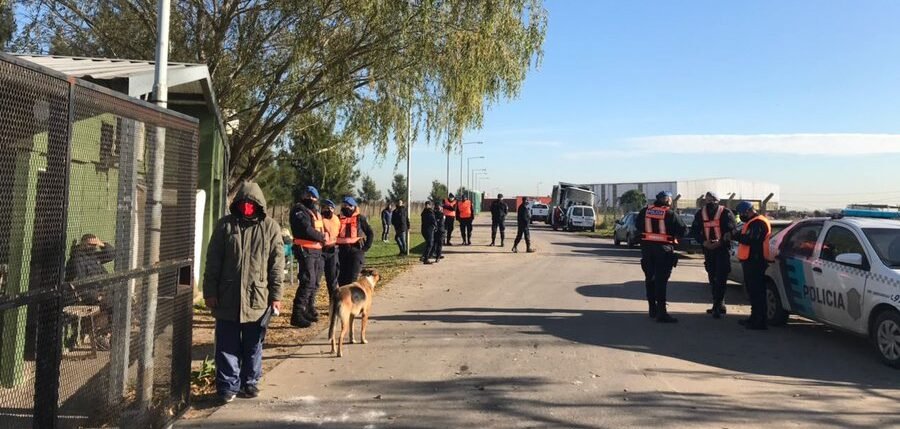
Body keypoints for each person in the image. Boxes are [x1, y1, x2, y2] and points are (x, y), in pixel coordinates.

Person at [203, 181, 284, 403]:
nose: (247, 207)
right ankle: (228, 386)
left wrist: (276, 296)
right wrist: (210, 291)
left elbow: (276, 265)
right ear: (238, 203)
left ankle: (250, 382)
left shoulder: (270, 228)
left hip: (257, 298)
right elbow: (213, 262)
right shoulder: (224, 227)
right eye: (244, 203)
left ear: (259, 204)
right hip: (227, 296)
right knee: (226, 344)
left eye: (252, 203)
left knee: (253, 344)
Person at [635, 191, 686, 323]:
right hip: (663, 250)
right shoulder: (669, 213)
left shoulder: (645, 211)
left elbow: (637, 225)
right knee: (661, 281)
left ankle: (652, 309)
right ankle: (662, 312)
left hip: (647, 249)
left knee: (649, 279)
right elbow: (683, 230)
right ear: (668, 200)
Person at [64, 234, 116, 351]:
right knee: (112, 304)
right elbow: (79, 284)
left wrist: (101, 243)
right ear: (83, 244)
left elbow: (111, 254)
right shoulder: (78, 259)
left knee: (121, 299)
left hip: (103, 292)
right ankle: (101, 335)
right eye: (90, 244)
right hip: (89, 296)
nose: (92, 247)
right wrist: (96, 296)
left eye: (94, 245)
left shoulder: (93, 257)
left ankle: (107, 333)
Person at [691, 192, 737, 319]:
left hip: (722, 249)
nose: (709, 202)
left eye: (712, 200)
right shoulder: (701, 213)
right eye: (707, 199)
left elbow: (732, 231)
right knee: (712, 277)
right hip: (708, 249)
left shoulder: (726, 213)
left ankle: (718, 306)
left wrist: (720, 242)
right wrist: (704, 242)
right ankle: (717, 304)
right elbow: (694, 231)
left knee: (721, 277)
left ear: (717, 201)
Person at [289, 186, 326, 328]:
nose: (312, 199)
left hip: (316, 250)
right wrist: (322, 237)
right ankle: (297, 314)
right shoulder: (299, 210)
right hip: (305, 250)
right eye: (309, 196)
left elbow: (318, 227)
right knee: (307, 281)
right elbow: (305, 229)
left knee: (315, 282)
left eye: (314, 197)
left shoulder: (314, 211)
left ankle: (307, 309)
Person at [732, 201, 772, 330]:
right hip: (750, 260)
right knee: (752, 291)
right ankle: (754, 317)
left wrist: (737, 237)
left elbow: (751, 239)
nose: (741, 216)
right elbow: (744, 235)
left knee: (757, 292)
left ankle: (760, 321)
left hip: (756, 261)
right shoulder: (751, 222)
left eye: (742, 213)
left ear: (748, 211)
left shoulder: (758, 222)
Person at [336, 197, 375, 285]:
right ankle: (344, 297)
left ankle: (351, 297)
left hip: (356, 251)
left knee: (352, 279)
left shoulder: (360, 218)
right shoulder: (337, 218)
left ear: (354, 207)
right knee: (341, 279)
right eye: (344, 205)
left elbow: (370, 233)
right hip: (341, 251)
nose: (346, 208)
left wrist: (365, 248)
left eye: (349, 206)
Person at [320, 200, 341, 312]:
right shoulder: (319, 219)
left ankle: (333, 306)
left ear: (333, 209)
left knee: (332, 280)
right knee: (316, 280)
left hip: (333, 250)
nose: (327, 210)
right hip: (320, 251)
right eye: (325, 208)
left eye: (330, 208)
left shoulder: (337, 220)